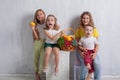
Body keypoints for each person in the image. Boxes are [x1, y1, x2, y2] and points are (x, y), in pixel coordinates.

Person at [75, 11, 101, 80]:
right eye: (83, 18)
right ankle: (82, 78)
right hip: (82, 50)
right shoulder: (78, 30)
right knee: (85, 63)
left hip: (92, 50)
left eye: (87, 18)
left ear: (90, 19)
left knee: (96, 63)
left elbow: (97, 44)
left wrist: (95, 53)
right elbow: (77, 44)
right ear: (81, 19)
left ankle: (97, 78)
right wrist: (81, 52)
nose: (85, 20)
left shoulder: (94, 29)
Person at [29, 9, 46, 80]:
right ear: (36, 17)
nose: (39, 16)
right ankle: (36, 74)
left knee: (42, 59)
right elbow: (37, 38)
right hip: (38, 42)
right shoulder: (35, 25)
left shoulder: (47, 23)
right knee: (35, 58)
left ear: (44, 14)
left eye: (41, 14)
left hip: (46, 42)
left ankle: (39, 73)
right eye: (37, 15)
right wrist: (33, 29)